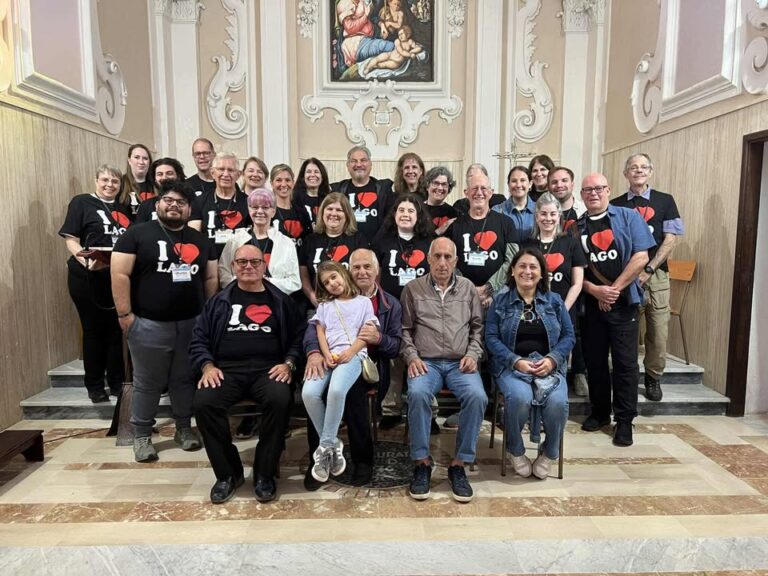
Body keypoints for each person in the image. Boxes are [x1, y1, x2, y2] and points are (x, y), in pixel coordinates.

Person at [111, 180, 218, 462]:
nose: (174, 206)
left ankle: (184, 429)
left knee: (184, 379)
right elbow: (119, 274)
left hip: (191, 324)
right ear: (157, 204)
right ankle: (142, 436)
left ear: (189, 209)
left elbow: (210, 277)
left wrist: (206, 315)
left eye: (181, 203)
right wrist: (125, 314)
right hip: (148, 323)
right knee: (147, 382)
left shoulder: (200, 240)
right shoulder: (136, 234)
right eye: (168, 200)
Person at [190, 244, 306, 503]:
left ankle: (265, 474)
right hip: (226, 371)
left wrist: (289, 363)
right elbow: (198, 339)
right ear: (233, 266)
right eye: (242, 262)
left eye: (255, 262)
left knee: (279, 399)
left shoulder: (282, 302)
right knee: (204, 402)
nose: (248, 267)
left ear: (264, 266)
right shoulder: (218, 302)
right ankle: (228, 474)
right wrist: (207, 366)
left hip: (269, 370)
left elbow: (300, 338)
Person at [303, 249, 402, 489]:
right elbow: (313, 330)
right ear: (347, 271)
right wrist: (314, 353)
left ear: (377, 270)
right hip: (330, 357)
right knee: (314, 387)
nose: (362, 272)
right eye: (356, 267)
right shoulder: (331, 300)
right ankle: (320, 459)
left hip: (367, 365)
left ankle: (362, 460)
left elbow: (396, 346)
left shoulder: (390, 303)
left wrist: (378, 338)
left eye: (367, 266)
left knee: (353, 394)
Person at [400, 237, 487, 502]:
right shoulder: (413, 289)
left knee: (477, 397)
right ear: (428, 259)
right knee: (417, 394)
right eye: (437, 256)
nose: (442, 262)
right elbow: (404, 330)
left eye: (448, 257)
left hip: (460, 362)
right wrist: (412, 357)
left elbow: (477, 328)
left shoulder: (468, 288)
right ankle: (422, 462)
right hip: (426, 362)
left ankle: (459, 464)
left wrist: (473, 353)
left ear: (456, 261)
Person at [577, 172, 655, 447]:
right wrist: (595, 291)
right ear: (581, 195)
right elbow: (574, 269)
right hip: (591, 305)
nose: (594, 193)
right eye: (588, 190)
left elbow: (641, 256)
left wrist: (613, 290)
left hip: (623, 304)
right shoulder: (576, 227)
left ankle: (624, 420)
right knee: (595, 361)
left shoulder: (628, 217)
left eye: (599, 188)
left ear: (608, 190)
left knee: (625, 364)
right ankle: (600, 412)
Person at [485, 248, 575, 479]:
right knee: (519, 397)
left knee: (558, 403)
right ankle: (515, 450)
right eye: (522, 266)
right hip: (511, 367)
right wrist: (515, 361)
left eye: (533, 267)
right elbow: (491, 338)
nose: (527, 271)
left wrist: (552, 360)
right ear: (512, 271)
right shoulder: (500, 302)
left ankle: (550, 452)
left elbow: (569, 336)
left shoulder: (555, 301)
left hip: (549, 368)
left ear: (542, 273)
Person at [611, 153, 684, 402]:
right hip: (626, 276)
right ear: (626, 173)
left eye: (643, 167)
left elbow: (670, 239)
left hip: (657, 275)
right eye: (633, 167)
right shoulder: (616, 204)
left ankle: (653, 377)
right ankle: (626, 377)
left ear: (650, 172)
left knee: (658, 331)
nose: (638, 171)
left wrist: (649, 269)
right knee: (626, 331)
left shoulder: (665, 201)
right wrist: (630, 273)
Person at [59, 164, 130, 403]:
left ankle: (117, 383)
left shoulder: (123, 208)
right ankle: (95, 385)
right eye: (105, 180)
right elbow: (71, 239)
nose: (110, 185)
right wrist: (86, 262)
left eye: (115, 181)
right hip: (87, 275)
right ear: (96, 180)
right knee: (93, 330)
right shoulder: (82, 202)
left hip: (115, 275)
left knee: (115, 330)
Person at [372, 194, 434, 429]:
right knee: (393, 358)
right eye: (401, 210)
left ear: (419, 216)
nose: (405, 214)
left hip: (423, 309)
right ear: (394, 214)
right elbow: (376, 275)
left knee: (424, 356)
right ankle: (391, 409)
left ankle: (429, 410)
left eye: (411, 211)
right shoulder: (383, 241)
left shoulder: (428, 242)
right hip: (391, 308)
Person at [521, 193, 587, 396]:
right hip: (532, 310)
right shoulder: (527, 244)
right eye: (543, 214)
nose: (548, 218)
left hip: (564, 308)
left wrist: (562, 309)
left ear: (559, 215)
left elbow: (577, 282)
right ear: (536, 216)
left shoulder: (570, 243)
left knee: (558, 357)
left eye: (552, 214)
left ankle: (559, 391)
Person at [446, 167, 518, 308]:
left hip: (498, 298)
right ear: (466, 193)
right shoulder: (455, 226)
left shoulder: (506, 223)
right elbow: (449, 262)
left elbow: (512, 261)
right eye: (474, 188)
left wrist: (489, 288)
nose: (479, 193)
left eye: (484, 188)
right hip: (462, 298)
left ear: (491, 193)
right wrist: (468, 289)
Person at [218, 188, 300, 293]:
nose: (260, 211)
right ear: (249, 210)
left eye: (265, 207)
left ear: (273, 211)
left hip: (274, 299)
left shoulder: (286, 243)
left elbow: (295, 282)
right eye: (255, 207)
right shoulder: (235, 240)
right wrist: (245, 284)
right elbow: (223, 273)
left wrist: (266, 283)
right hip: (240, 297)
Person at [299, 192, 368, 307]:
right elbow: (303, 275)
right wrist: (311, 295)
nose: (333, 213)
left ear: (347, 214)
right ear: (322, 212)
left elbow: (363, 273)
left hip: (351, 304)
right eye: (330, 209)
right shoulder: (310, 240)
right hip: (318, 306)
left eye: (339, 210)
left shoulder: (358, 239)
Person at [189, 152, 251, 259]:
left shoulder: (248, 202)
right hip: (208, 260)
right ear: (212, 173)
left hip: (240, 262)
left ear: (238, 175)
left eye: (230, 170)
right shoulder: (199, 201)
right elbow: (193, 237)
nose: (225, 174)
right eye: (221, 169)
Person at [330, 145, 394, 242]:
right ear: (347, 165)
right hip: (345, 246)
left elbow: (390, 221)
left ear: (370, 164)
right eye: (354, 161)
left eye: (363, 160)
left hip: (376, 247)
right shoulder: (338, 190)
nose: (359, 164)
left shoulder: (384, 191)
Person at [270, 164, 312, 249]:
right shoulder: (268, 212)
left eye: (287, 180)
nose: (283, 184)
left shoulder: (302, 212)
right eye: (279, 180)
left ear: (293, 183)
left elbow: (309, 241)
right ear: (272, 183)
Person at [493, 166, 537, 245]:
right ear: (508, 185)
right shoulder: (497, 211)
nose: (518, 185)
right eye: (514, 181)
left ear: (530, 184)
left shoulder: (540, 210)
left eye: (522, 180)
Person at [135, 157, 186, 224]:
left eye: (169, 173)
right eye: (160, 174)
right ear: (155, 179)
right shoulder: (146, 206)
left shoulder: (188, 203)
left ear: (178, 176)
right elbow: (138, 229)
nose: (164, 177)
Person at [547, 166, 586, 234]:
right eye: (554, 182)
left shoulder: (585, 210)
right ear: (548, 187)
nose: (559, 185)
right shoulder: (540, 212)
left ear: (572, 184)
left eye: (564, 180)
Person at [294, 157, 331, 225]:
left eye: (316, 172)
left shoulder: (328, 199)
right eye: (309, 172)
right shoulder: (294, 198)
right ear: (303, 176)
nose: (313, 175)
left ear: (322, 176)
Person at [119, 144, 153, 217]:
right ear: (129, 161)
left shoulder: (156, 184)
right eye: (137, 157)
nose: (141, 162)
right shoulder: (119, 183)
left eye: (145, 158)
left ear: (149, 162)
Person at [423, 166, 457, 235]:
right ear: (427, 186)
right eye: (436, 183)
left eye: (444, 184)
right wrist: (439, 230)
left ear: (449, 189)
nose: (440, 188)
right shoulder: (418, 210)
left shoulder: (453, 213)